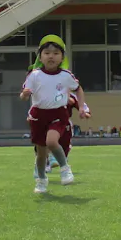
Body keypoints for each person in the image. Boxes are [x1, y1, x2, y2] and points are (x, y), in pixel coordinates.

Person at [21, 34, 88, 193]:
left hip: (58, 114)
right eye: (47, 53)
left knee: (51, 142)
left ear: (62, 57)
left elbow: (78, 89)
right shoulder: (34, 75)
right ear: (40, 57)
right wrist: (24, 94)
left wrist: (83, 108)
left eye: (56, 53)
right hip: (38, 115)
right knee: (41, 154)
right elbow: (24, 95)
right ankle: (41, 180)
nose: (51, 56)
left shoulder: (66, 75)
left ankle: (65, 168)